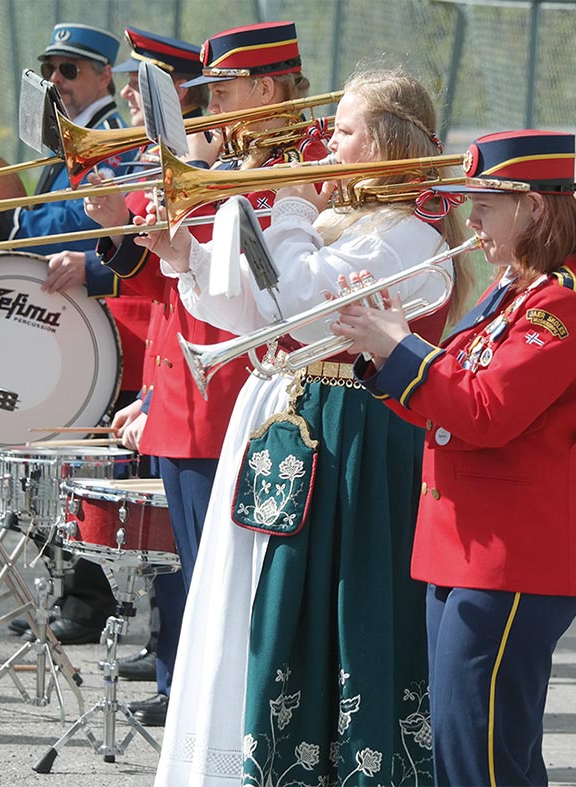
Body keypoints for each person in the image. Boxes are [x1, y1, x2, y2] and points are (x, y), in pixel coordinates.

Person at [138, 67, 475, 785]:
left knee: (345, 609)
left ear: (384, 142)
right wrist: (186, 261)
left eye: (345, 131)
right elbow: (265, 315)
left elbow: (300, 302)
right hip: (311, 423)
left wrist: (288, 209)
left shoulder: (409, 237)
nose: (326, 143)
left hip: (359, 440)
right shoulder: (348, 221)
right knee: (277, 605)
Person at [331, 129, 576, 787]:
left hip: (512, 559)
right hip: (467, 554)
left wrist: (404, 345)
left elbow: (486, 412)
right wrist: (383, 355)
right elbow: (447, 405)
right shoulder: (512, 292)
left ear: (536, 208)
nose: (472, 219)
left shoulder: (560, 305)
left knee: (477, 760)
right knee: (484, 753)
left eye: (485, 203)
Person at [85, 21, 330, 728]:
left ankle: (254, 721)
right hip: (211, 384)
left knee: (254, 585)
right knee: (210, 575)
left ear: (263, 86)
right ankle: (220, 716)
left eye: (220, 89)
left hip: (261, 391)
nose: (211, 105)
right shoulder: (236, 159)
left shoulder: (307, 157)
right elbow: (175, 280)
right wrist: (135, 230)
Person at [0, 22, 141, 646]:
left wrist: (15, 213)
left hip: (107, 323)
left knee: (82, 460)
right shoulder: (66, 139)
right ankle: (68, 588)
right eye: (51, 69)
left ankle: (91, 599)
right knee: (52, 455)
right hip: (65, 313)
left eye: (70, 71)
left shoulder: (116, 141)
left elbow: (90, 210)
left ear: (105, 75)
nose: (56, 82)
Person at [96, 25, 210, 687]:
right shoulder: (163, 160)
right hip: (166, 372)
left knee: (190, 553)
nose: (129, 99)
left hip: (194, 382)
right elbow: (157, 277)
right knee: (173, 549)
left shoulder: (193, 163)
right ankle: (172, 664)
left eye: (142, 86)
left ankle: (181, 678)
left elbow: (181, 284)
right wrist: (116, 226)